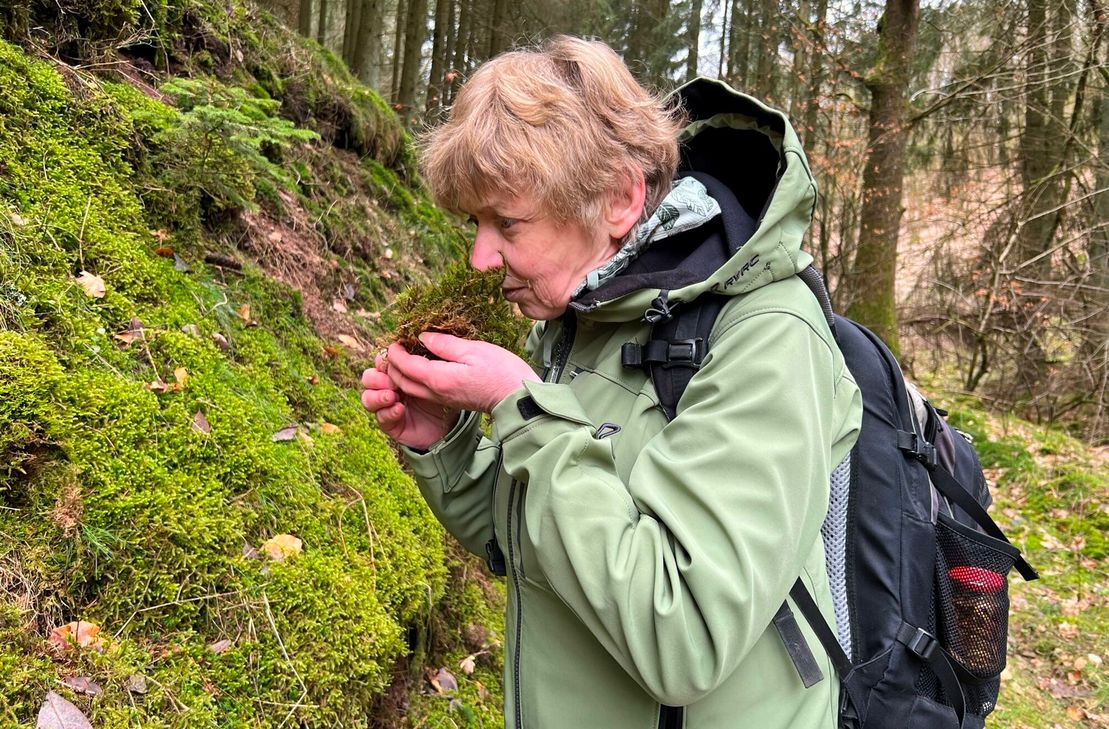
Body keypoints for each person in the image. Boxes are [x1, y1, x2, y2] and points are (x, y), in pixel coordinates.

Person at [361, 36, 862, 729]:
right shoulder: (589, 315)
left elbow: (682, 635)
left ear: (619, 200)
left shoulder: (766, 336)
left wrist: (524, 411)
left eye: (506, 221)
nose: (480, 256)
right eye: (473, 222)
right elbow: (541, 545)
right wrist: (445, 442)